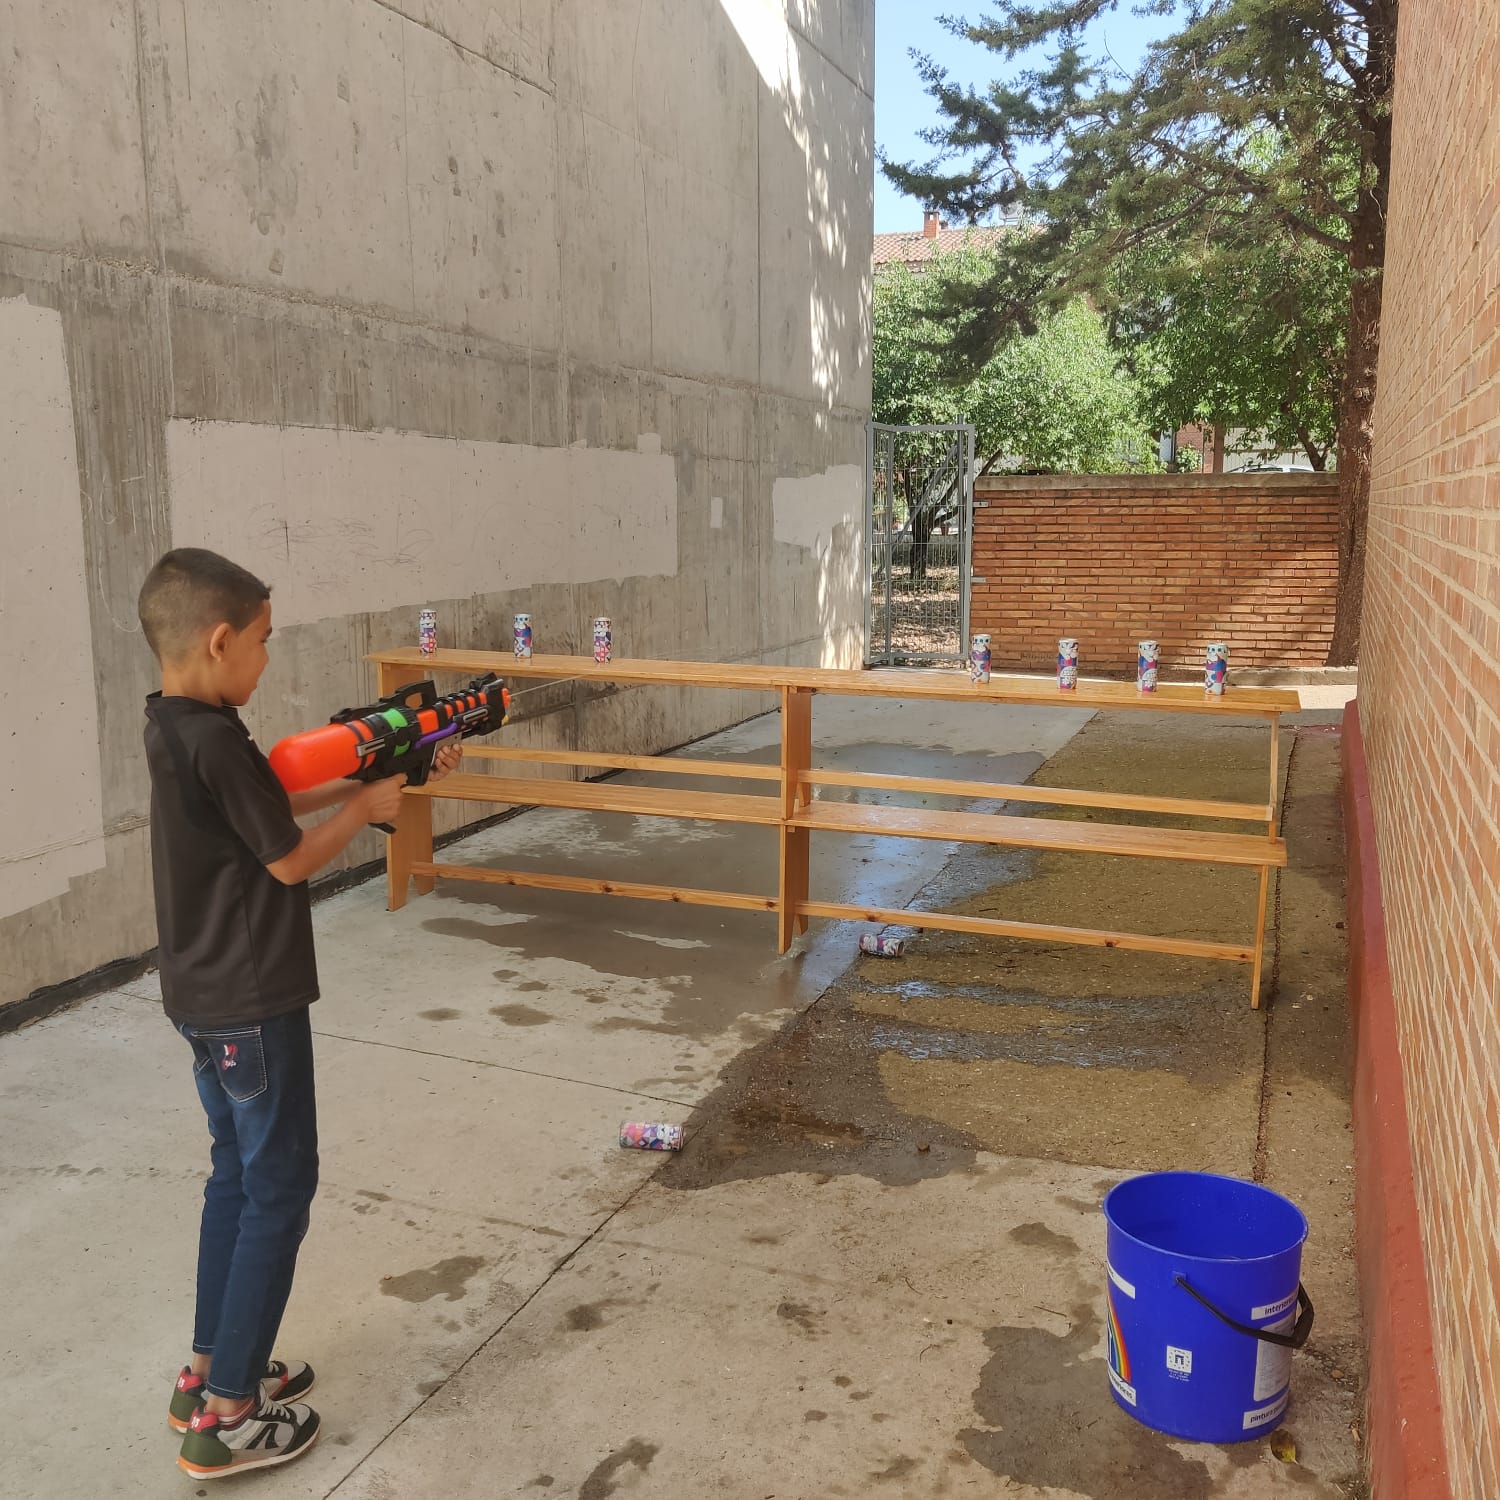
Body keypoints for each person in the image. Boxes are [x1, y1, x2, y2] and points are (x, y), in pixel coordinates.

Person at [137, 548, 459, 1480]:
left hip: (202, 998)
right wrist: (365, 809)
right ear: (220, 640)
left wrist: (380, 775)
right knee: (279, 1187)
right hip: (252, 1001)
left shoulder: (177, 726)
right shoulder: (217, 738)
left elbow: (266, 805)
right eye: (264, 641)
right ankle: (232, 1415)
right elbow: (287, 859)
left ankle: (209, 1370)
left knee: (236, 1177)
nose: (267, 659)